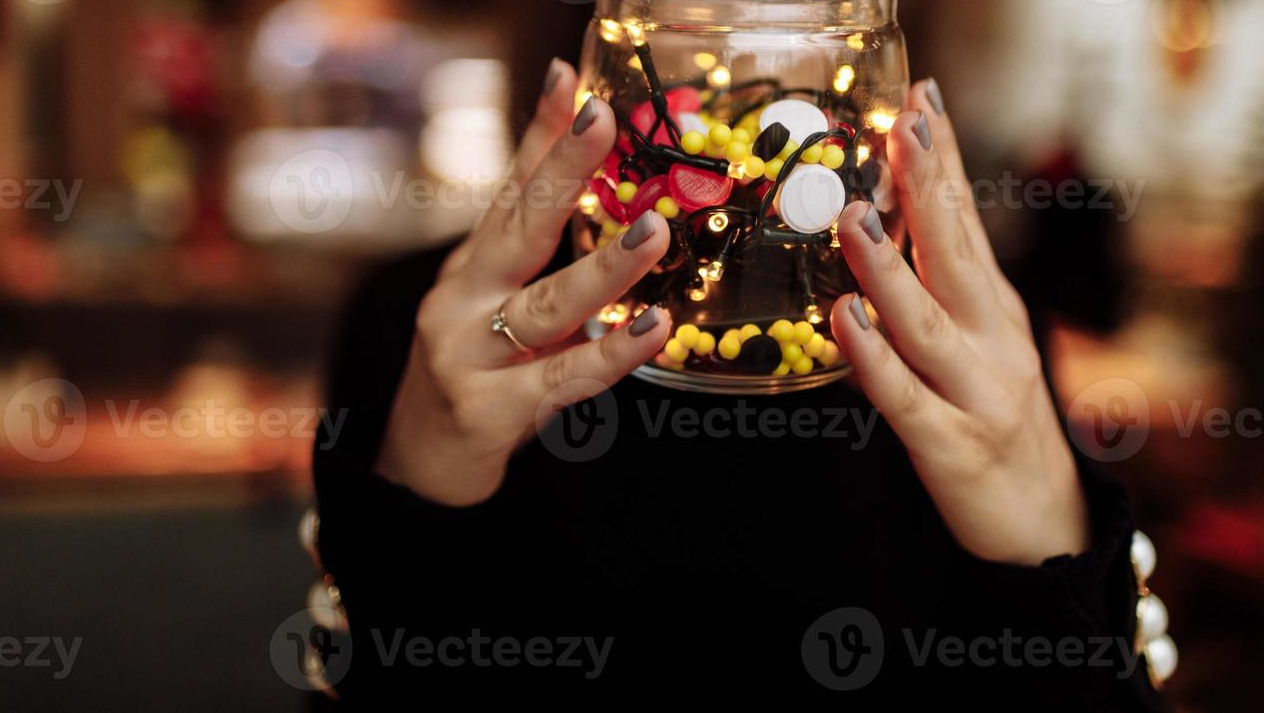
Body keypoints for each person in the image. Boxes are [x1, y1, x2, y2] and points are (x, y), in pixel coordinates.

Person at [308, 72, 1171, 708]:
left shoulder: (974, 341)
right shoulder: (426, 318)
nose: (720, 9)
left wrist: (1053, 551)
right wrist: (411, 502)